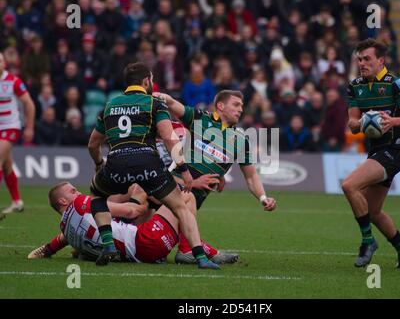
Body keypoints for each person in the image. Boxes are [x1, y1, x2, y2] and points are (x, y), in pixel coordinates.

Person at [87, 62, 219, 269]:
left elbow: (93, 143)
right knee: (180, 208)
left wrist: (98, 164)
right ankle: (200, 258)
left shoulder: (109, 106)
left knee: (96, 195)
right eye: (152, 79)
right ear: (146, 81)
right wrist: (184, 170)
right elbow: (168, 137)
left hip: (116, 164)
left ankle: (108, 243)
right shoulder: (154, 104)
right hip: (148, 165)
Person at [153, 90, 277, 263]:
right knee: (152, 241)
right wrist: (159, 96)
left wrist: (263, 197)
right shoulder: (200, 118)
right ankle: (195, 250)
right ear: (220, 106)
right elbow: (173, 104)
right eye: (235, 104)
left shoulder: (241, 140)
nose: (240, 109)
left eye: (241, 106)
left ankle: (192, 248)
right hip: (172, 191)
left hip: (192, 203)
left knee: (163, 245)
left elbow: (251, 176)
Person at [343, 39, 400, 269]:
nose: (362, 63)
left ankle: (368, 242)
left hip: (395, 150)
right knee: (374, 211)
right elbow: (352, 122)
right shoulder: (355, 85)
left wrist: (392, 121)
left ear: (381, 60)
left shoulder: (396, 84)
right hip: (376, 150)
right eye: (359, 59)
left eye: (367, 59)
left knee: (349, 185)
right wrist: (360, 123)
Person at [28, 182, 181, 264]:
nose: (79, 193)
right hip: (147, 242)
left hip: (135, 255)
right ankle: (190, 250)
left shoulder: (65, 229)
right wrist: (143, 201)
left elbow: (58, 242)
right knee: (185, 197)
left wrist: (47, 250)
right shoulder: (80, 203)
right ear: (62, 200)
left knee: (132, 194)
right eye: (73, 191)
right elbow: (131, 212)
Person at [0, 52, 36, 214]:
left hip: (11, 127)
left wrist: (29, 127)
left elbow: (29, 104)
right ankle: (17, 201)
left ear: (4, 64)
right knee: (6, 163)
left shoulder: (13, 81)